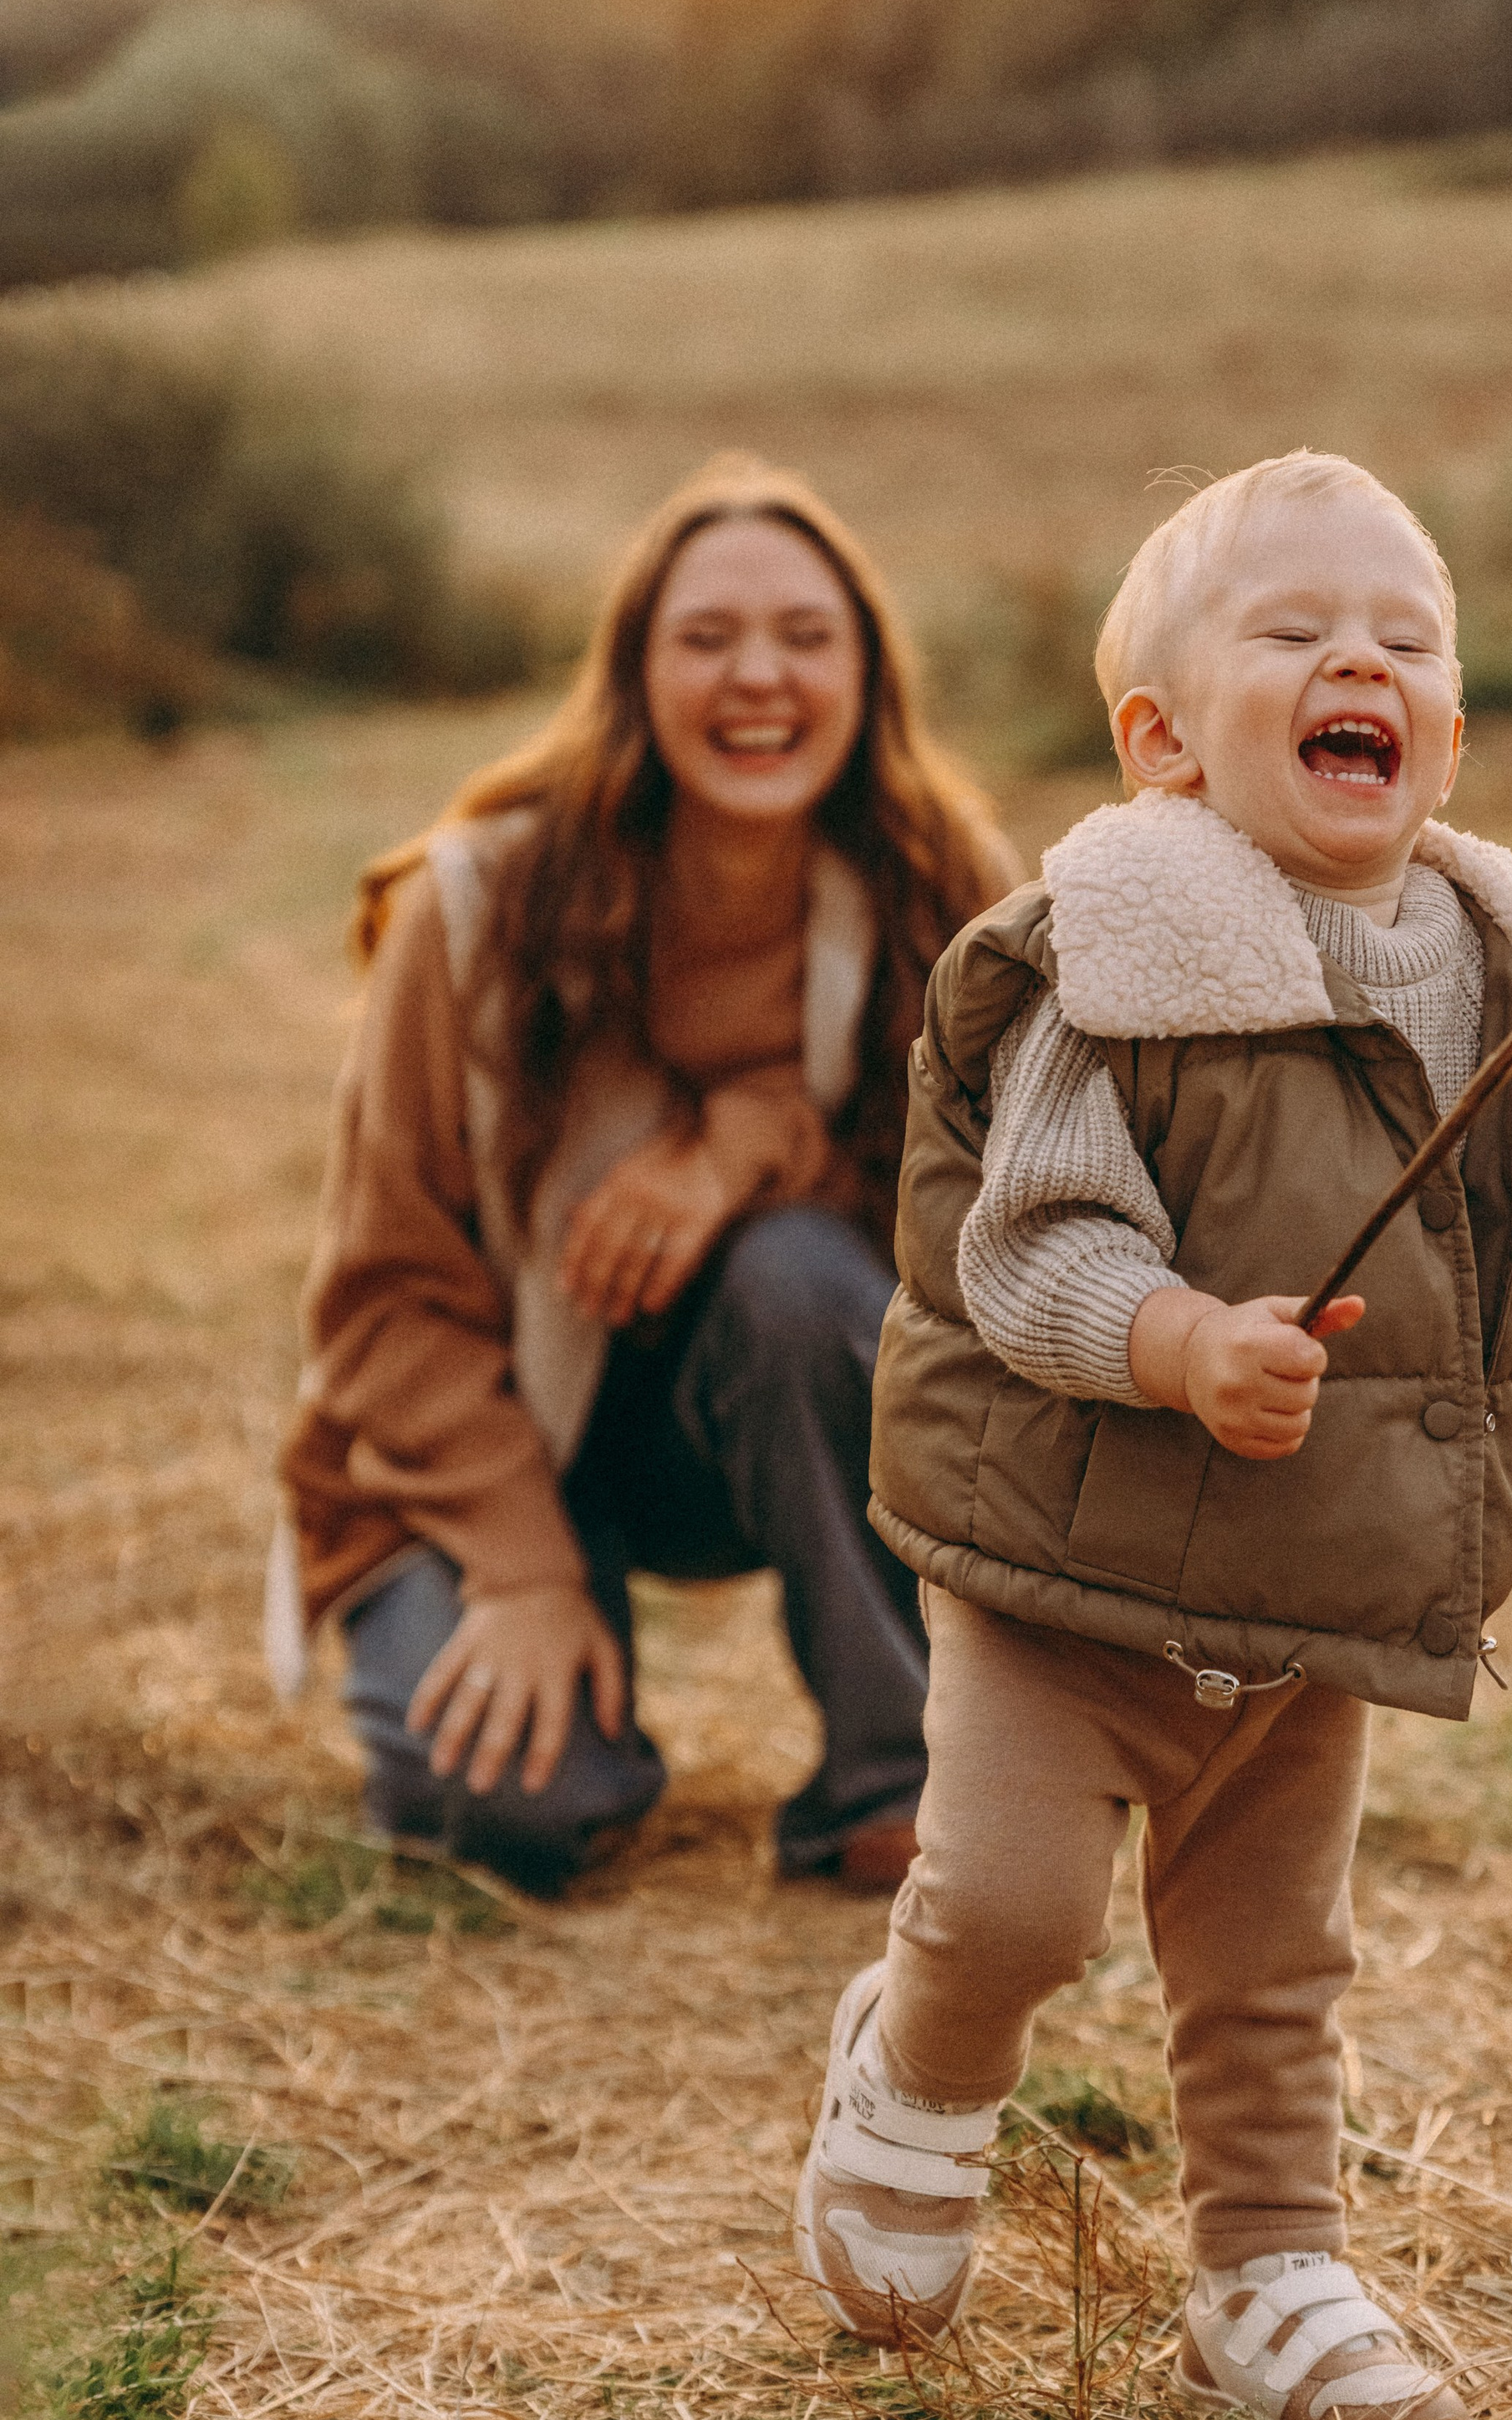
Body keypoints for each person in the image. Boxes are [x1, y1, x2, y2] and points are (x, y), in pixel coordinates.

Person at [792, 449, 1512, 2420]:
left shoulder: (1493, 972)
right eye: (1291, 631)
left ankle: (1267, 2262)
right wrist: (1176, 1338)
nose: (1356, 656)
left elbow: (1480, 1267)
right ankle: (917, 2080)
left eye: (1403, 639)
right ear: (1161, 738)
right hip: (1074, 1570)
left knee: (1272, 1963)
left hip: (1304, 1590)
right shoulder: (1117, 958)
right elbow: (1024, 1246)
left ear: (1444, 733)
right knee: (1012, 1903)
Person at [270, 455, 1018, 1897]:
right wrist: (525, 1567)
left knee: (806, 1280)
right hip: (487, 1436)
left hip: (751, 1410)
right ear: (633, 672)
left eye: (807, 637)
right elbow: (381, 1301)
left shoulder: (940, 882)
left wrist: (744, 1146)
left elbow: (976, 1212)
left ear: (866, 671)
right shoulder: (477, 903)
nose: (760, 678)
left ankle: (898, 1780)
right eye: (707, 637)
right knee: (509, 1815)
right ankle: (568, 1692)